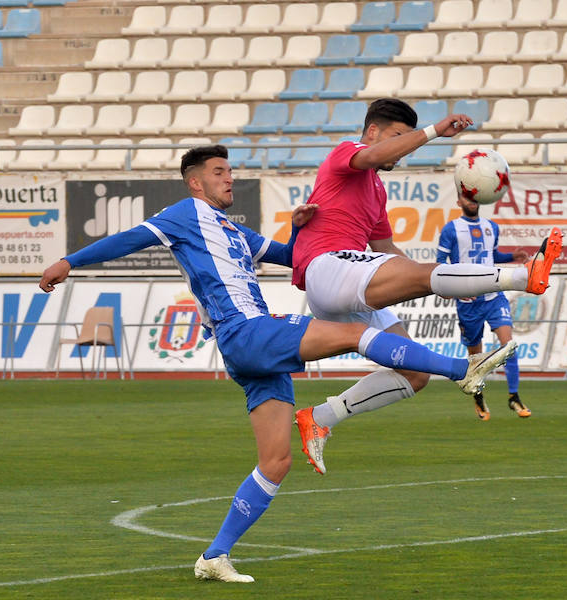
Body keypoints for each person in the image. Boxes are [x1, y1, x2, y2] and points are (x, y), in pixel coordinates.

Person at [39, 145, 516, 583]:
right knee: (355, 333)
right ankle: (461, 370)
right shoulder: (184, 216)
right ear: (195, 183)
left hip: (249, 350)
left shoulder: (233, 230)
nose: (229, 179)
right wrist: (69, 261)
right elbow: (127, 239)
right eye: (219, 172)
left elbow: (292, 259)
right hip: (247, 331)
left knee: (277, 459)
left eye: (230, 171)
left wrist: (300, 230)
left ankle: (214, 556)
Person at [290, 98, 563, 474]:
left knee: (414, 374)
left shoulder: (376, 191)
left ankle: (320, 416)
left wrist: (455, 282)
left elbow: (385, 250)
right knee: (427, 272)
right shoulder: (347, 153)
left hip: (348, 282)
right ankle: (522, 275)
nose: (401, 151)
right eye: (398, 137)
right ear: (373, 132)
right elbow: (372, 157)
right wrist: (433, 132)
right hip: (328, 268)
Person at [437, 189, 532, 421]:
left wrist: (512, 256)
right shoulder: (451, 229)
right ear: (459, 201)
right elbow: (440, 262)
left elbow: (491, 255)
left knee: (509, 344)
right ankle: (478, 397)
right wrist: (445, 286)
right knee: (475, 357)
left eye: (474, 197)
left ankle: (514, 396)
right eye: (466, 197)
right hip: (468, 300)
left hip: (493, 294)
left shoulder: (492, 227)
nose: (471, 201)